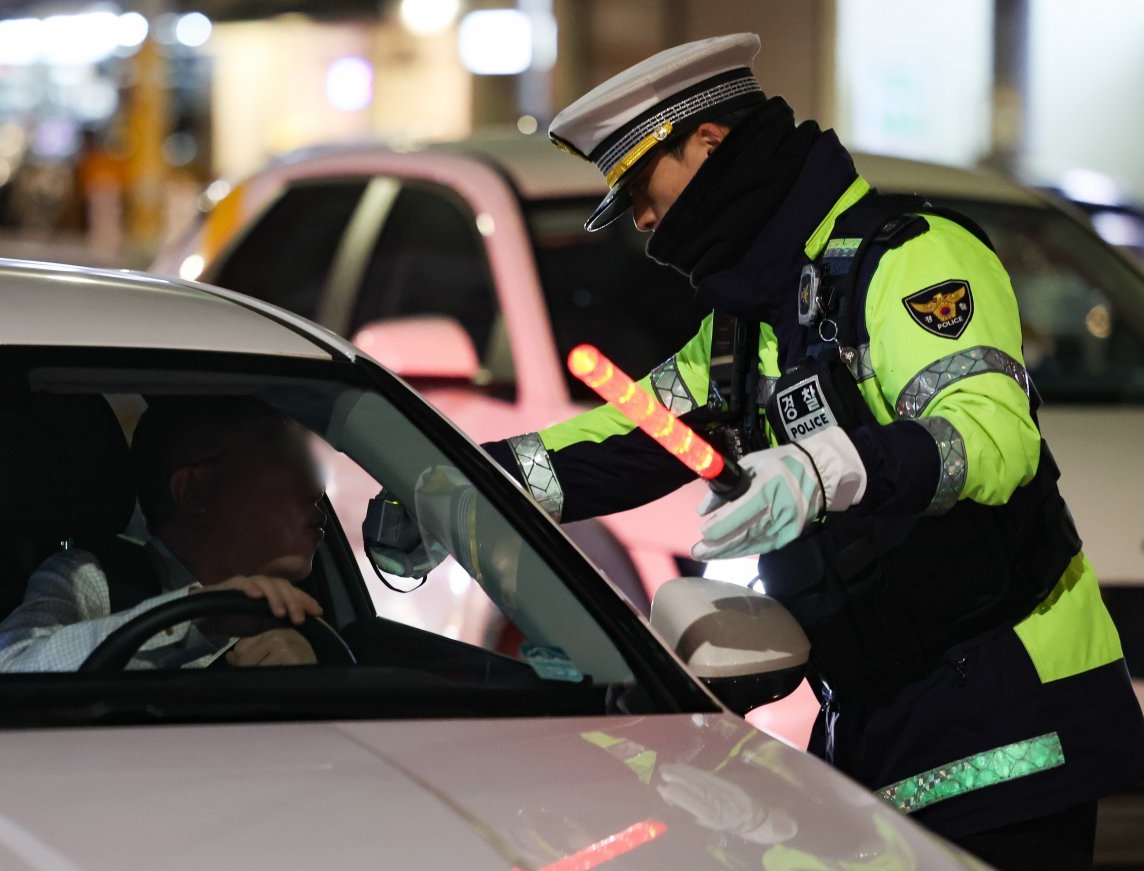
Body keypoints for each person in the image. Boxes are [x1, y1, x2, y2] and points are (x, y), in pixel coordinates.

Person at [372, 33, 1144, 869]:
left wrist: (825, 469)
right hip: (875, 726)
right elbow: (629, 437)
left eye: (640, 181)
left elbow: (994, 438)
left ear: (709, 141)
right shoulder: (742, 329)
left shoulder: (912, 258)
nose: (640, 219)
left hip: (1013, 719)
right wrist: (461, 483)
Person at [0, 396, 326, 672]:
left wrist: (311, 678)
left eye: (308, 465)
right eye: (281, 460)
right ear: (193, 491)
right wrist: (198, 619)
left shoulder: (313, 615)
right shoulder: (91, 580)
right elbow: (11, 669)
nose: (316, 489)